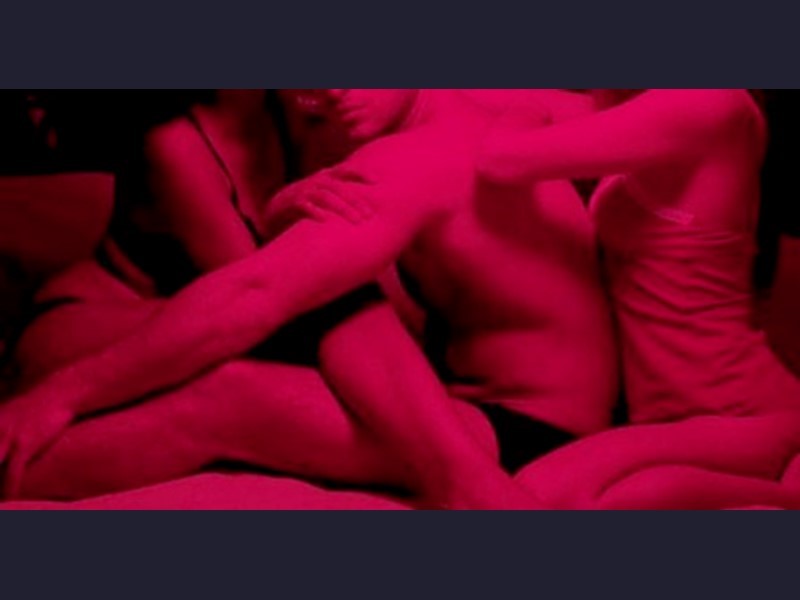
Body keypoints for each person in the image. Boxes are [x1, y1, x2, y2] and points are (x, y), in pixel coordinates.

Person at [0, 89, 619, 508]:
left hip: (524, 427)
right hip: (89, 323)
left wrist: (63, 395)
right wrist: (284, 209)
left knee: (263, 360)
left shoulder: (406, 157)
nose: (331, 93)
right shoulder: (439, 115)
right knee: (313, 309)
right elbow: (262, 286)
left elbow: (258, 290)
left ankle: (464, 478)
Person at [478, 89, 800, 509]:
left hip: (740, 410)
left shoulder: (712, 103)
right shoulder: (657, 105)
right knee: (544, 491)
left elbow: (502, 160)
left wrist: (522, 112)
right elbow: (514, 102)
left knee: (556, 494)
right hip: (669, 418)